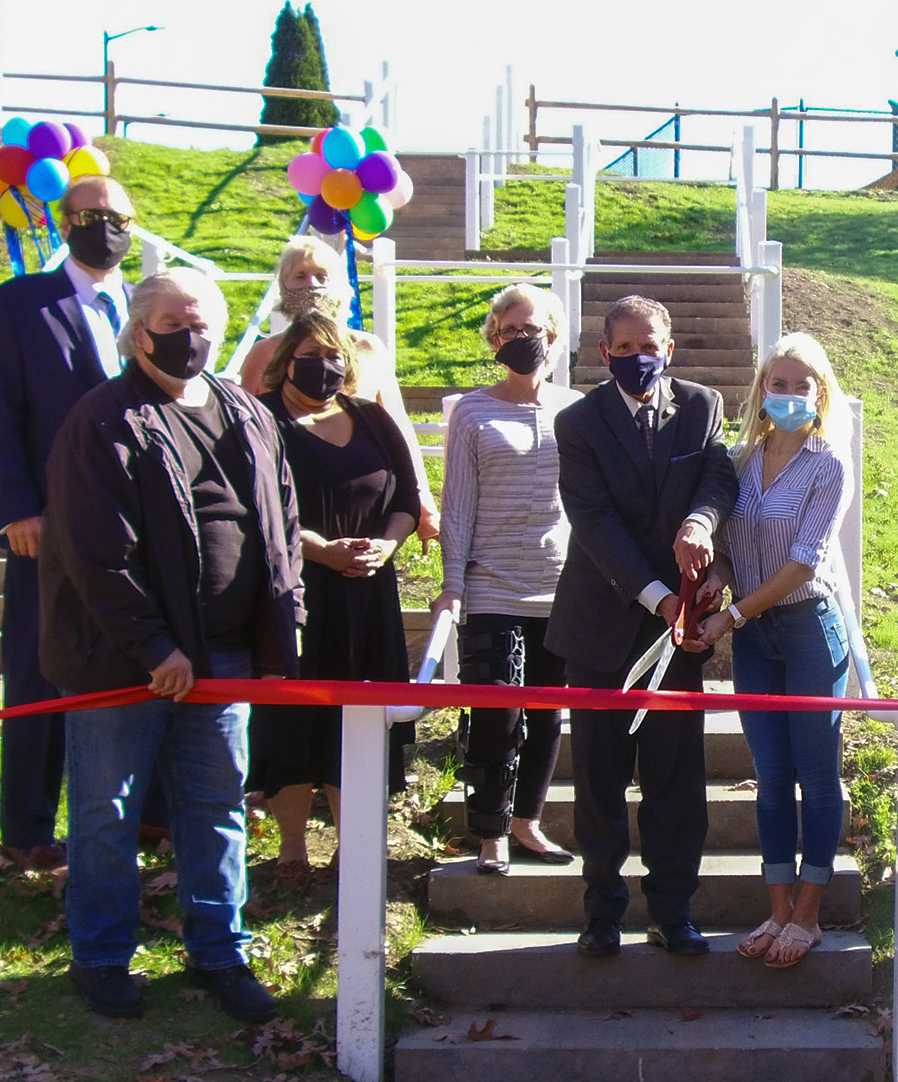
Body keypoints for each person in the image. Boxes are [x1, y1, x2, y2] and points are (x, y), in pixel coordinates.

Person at [40, 268, 302, 1025]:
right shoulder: (103, 421)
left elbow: (279, 520)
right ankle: (100, 955)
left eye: (201, 324)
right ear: (137, 331)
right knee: (104, 812)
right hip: (128, 662)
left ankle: (220, 948)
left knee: (217, 806)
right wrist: (155, 647)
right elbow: (97, 553)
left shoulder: (245, 411)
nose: (189, 338)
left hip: (224, 659)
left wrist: (285, 621)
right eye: (172, 324)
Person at [549, 295, 738, 958]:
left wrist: (701, 525)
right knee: (599, 782)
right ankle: (602, 914)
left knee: (676, 782)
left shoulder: (703, 405)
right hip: (602, 629)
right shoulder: (576, 424)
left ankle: (672, 913)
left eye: (649, 344)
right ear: (604, 353)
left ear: (670, 346)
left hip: (678, 640)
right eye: (624, 348)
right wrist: (661, 598)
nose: (638, 358)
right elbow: (594, 524)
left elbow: (718, 479)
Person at [0, 173, 138, 869]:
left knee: (135, 669)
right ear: (64, 223)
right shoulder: (20, 304)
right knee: (37, 672)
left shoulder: (147, 306)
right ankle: (29, 828)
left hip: (135, 529)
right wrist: (14, 511)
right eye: (91, 215)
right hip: (46, 527)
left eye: (118, 216)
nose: (106, 227)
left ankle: (138, 817)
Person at [687, 334, 853, 970]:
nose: (786, 396)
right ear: (760, 391)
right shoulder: (739, 459)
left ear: (819, 395)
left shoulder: (828, 465)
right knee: (772, 779)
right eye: (776, 384)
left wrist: (730, 615)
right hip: (756, 638)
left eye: (799, 386)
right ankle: (778, 907)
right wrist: (716, 576)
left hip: (807, 629)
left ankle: (809, 915)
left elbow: (801, 562)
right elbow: (733, 546)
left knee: (816, 774)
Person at [245, 309, 419, 866]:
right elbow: (252, 508)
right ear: (284, 363)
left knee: (360, 717)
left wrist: (388, 544)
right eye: (310, 358)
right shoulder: (259, 419)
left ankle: (354, 849)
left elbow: (407, 498)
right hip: (293, 594)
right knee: (294, 721)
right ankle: (293, 849)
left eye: (333, 357)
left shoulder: (370, 417)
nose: (323, 368)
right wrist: (320, 548)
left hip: (368, 595)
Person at [436, 284, 582, 874]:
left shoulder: (576, 410)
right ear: (495, 340)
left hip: (561, 587)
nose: (525, 340)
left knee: (547, 714)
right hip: (493, 583)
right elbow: (458, 505)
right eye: (512, 331)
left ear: (554, 335)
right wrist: (452, 583)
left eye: (536, 329)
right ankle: (490, 832)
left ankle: (528, 823)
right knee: (497, 711)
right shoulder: (472, 412)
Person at [238, 235, 437, 541]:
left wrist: (423, 504)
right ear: (284, 287)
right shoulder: (264, 353)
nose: (312, 286)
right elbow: (241, 436)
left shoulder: (369, 347)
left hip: (367, 502)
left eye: (321, 277)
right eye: (300, 277)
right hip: (295, 507)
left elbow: (400, 429)